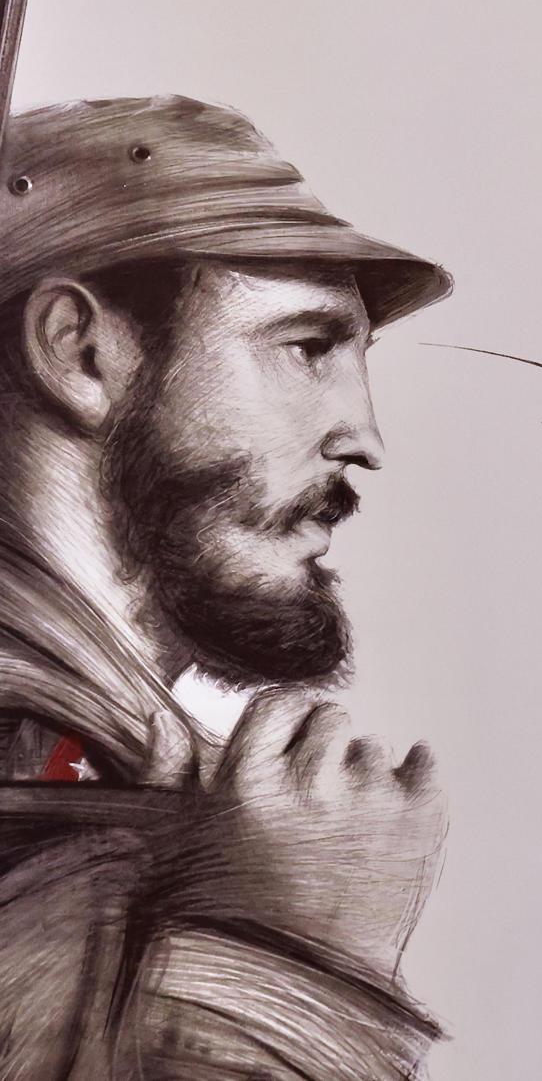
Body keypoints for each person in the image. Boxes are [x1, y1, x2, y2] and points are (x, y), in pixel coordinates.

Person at [0, 94, 454, 1078]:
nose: (361, 436)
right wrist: (293, 970)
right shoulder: (34, 797)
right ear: (82, 352)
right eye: (306, 348)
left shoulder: (138, 779)